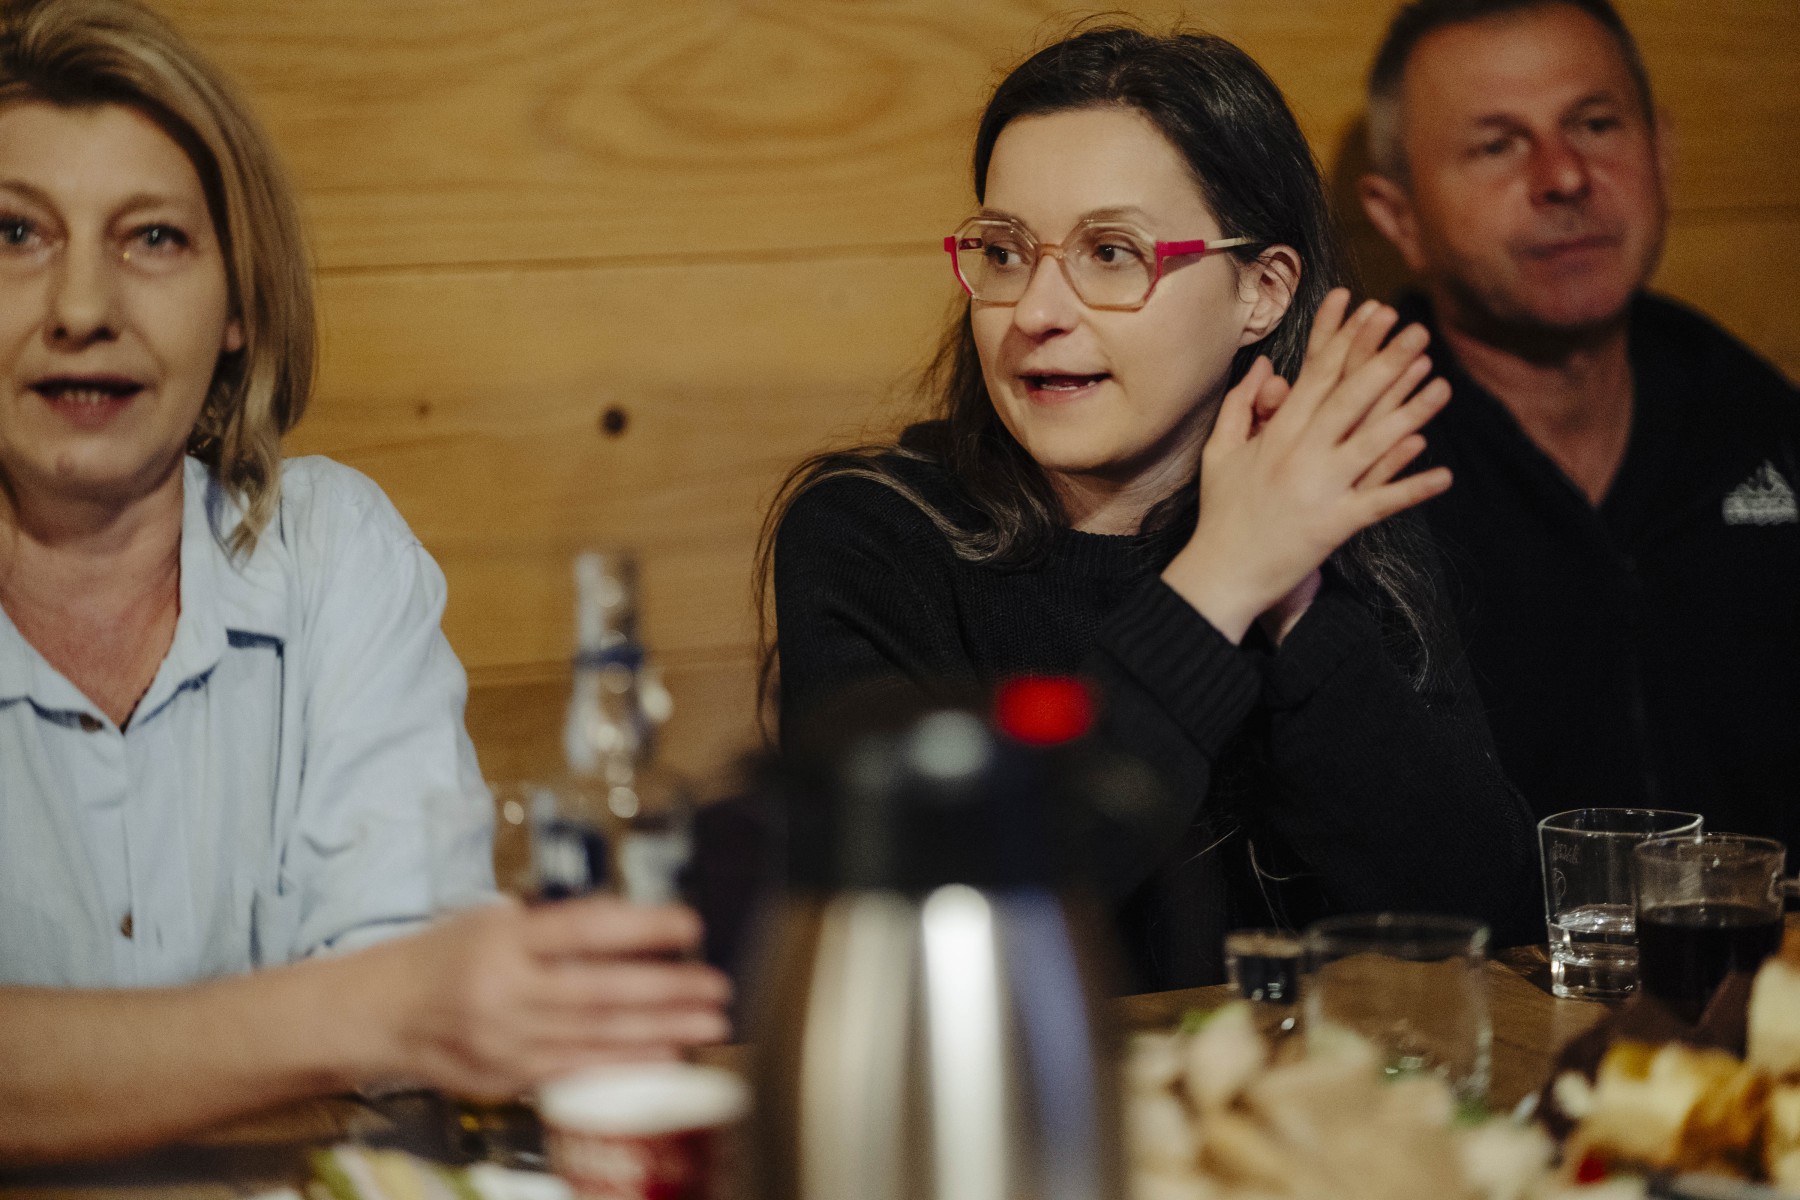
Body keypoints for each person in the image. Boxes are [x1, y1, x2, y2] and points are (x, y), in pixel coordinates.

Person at [0, 0, 726, 1163]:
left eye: (154, 239)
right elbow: (402, 1003)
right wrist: (379, 1007)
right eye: (16, 233)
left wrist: (420, 1004)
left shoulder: (333, 547)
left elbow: (412, 1018)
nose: (82, 310)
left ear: (239, 308)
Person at [762, 26, 1539, 991]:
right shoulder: (872, 534)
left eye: (1110, 252)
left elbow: (1484, 921)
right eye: (1004, 253)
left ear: (1261, 292)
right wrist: (1220, 582)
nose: (1035, 311)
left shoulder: (1328, 512)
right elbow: (945, 931)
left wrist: (1300, 608)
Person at [1357, 0, 1800, 841]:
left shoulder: (1754, 416)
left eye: (1595, 125)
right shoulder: (1353, 462)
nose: (1563, 177)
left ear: (1661, 153)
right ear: (1399, 217)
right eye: (1497, 145)